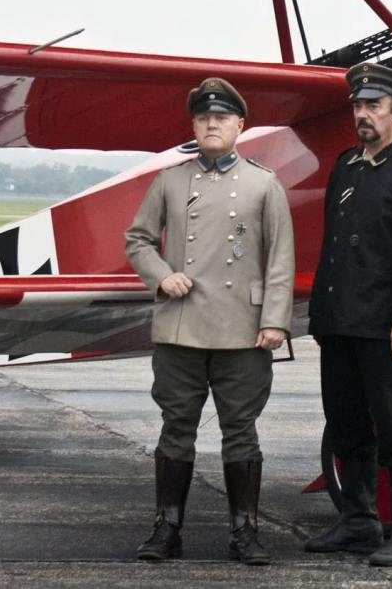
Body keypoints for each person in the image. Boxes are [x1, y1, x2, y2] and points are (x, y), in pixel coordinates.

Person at [125, 77, 294, 566]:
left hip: (243, 330)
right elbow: (137, 239)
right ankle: (166, 529)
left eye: (221, 118)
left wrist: (276, 321)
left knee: (241, 430)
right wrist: (162, 275)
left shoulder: (265, 183)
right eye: (203, 118)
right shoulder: (170, 181)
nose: (212, 124)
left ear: (240, 126)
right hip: (181, 326)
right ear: (194, 126)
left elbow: (281, 257)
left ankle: (245, 532)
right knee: (176, 427)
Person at [304, 61, 392, 567]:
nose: (363, 114)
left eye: (374, 106)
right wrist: (323, 317)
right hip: (340, 322)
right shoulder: (347, 165)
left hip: (388, 328)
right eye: (358, 106)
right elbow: (336, 248)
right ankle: (358, 521)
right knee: (345, 426)